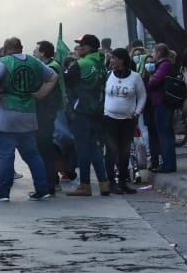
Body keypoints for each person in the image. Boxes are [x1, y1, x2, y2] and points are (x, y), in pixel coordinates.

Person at [0, 37, 57, 201]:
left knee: (5, 156)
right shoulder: (34, 62)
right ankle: (42, 189)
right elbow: (53, 77)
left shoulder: (3, 62)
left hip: (5, 116)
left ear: (5, 48)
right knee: (32, 154)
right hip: (28, 114)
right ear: (21, 47)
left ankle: (3, 192)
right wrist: (40, 95)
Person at [65, 34, 111, 196]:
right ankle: (104, 183)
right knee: (94, 147)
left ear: (90, 47)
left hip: (81, 111)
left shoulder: (80, 64)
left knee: (83, 148)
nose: (79, 48)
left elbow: (65, 81)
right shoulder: (101, 64)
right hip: (97, 110)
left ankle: (85, 185)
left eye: (82, 45)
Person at [103, 48, 147, 194]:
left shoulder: (135, 77)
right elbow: (103, 94)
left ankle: (123, 182)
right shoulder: (108, 75)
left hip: (128, 120)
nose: (111, 61)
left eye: (114, 58)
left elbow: (142, 96)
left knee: (124, 151)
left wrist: (137, 113)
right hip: (110, 119)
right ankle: (111, 182)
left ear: (122, 60)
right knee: (111, 151)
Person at [33, 40, 63, 195]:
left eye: (36, 51)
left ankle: (49, 183)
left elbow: (44, 91)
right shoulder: (53, 65)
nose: (33, 53)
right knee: (47, 148)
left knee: (44, 148)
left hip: (46, 113)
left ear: (43, 53)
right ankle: (52, 180)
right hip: (49, 112)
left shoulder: (50, 68)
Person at [147, 43, 177, 173]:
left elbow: (153, 82)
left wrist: (150, 76)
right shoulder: (167, 64)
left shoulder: (164, 65)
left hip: (162, 102)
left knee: (164, 134)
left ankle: (168, 164)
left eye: (154, 52)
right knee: (166, 133)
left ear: (158, 53)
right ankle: (168, 163)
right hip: (163, 102)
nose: (152, 55)